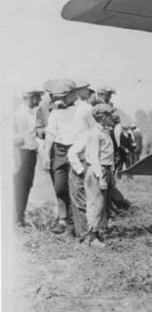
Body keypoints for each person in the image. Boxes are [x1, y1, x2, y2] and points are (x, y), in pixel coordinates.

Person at [43, 79, 95, 234]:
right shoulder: (56, 110)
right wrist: (46, 154)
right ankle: (65, 218)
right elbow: (51, 132)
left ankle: (78, 225)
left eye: (64, 96)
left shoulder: (86, 109)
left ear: (73, 93)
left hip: (78, 151)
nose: (61, 99)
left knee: (77, 188)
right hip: (59, 151)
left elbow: (94, 130)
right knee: (60, 187)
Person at [67, 104, 118, 248]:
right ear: (102, 118)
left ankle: (96, 235)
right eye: (109, 116)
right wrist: (100, 176)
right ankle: (90, 238)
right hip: (98, 170)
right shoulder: (94, 134)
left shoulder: (104, 133)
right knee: (95, 205)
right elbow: (94, 157)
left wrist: (110, 175)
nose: (112, 118)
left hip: (105, 169)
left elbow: (108, 156)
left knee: (102, 205)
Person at [13, 89, 45, 226]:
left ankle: (19, 217)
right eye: (37, 97)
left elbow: (37, 133)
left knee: (26, 185)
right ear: (31, 97)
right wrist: (17, 139)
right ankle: (17, 218)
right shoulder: (18, 113)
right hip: (20, 153)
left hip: (31, 153)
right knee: (20, 185)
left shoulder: (35, 113)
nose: (39, 100)